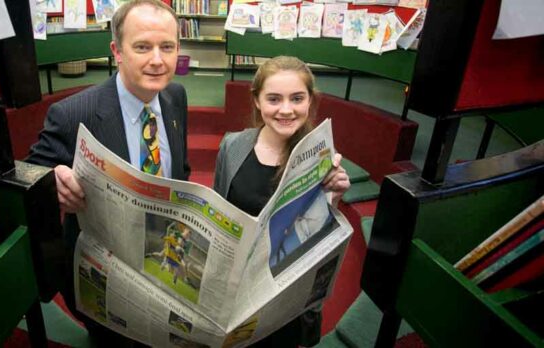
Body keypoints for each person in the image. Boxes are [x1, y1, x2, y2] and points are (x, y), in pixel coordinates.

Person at [26, 0, 190, 345]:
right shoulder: (73, 113)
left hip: (161, 262)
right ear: (117, 50)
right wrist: (50, 179)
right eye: (142, 47)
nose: (158, 60)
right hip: (105, 276)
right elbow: (28, 176)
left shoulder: (176, 97)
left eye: (168, 47)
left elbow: (180, 168)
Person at [213, 56, 350, 347]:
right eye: (274, 99)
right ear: (257, 101)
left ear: (310, 101)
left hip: (282, 298)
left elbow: (318, 239)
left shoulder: (322, 155)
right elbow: (218, 210)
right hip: (235, 290)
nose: (286, 110)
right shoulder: (232, 146)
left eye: (297, 98)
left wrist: (333, 198)